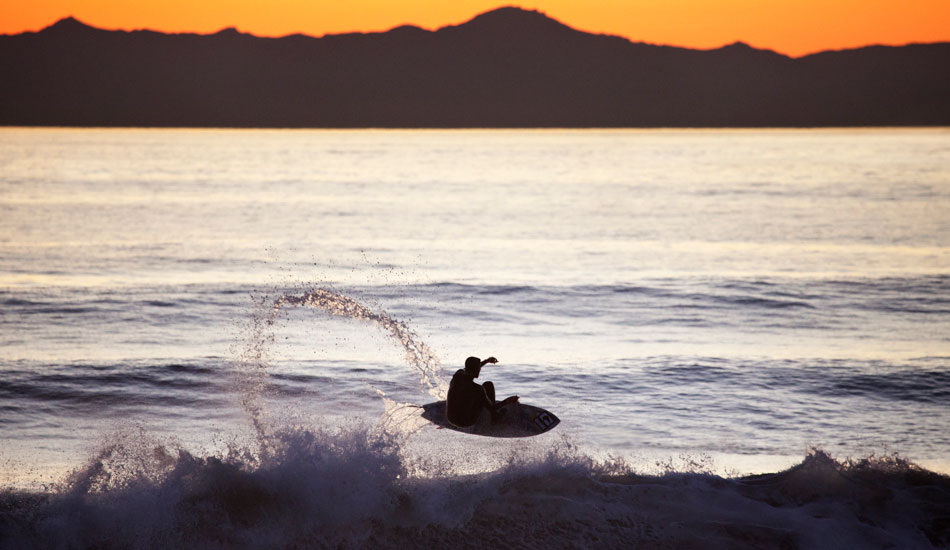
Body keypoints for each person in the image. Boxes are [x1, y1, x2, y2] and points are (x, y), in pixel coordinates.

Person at [445, 356, 518, 428]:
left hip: (450, 419)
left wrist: (486, 361)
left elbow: (470, 368)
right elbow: (492, 407)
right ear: (477, 370)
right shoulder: (478, 389)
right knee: (488, 385)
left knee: (466, 395)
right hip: (466, 422)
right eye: (479, 367)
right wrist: (507, 401)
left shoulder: (458, 375)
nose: (480, 369)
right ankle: (495, 417)